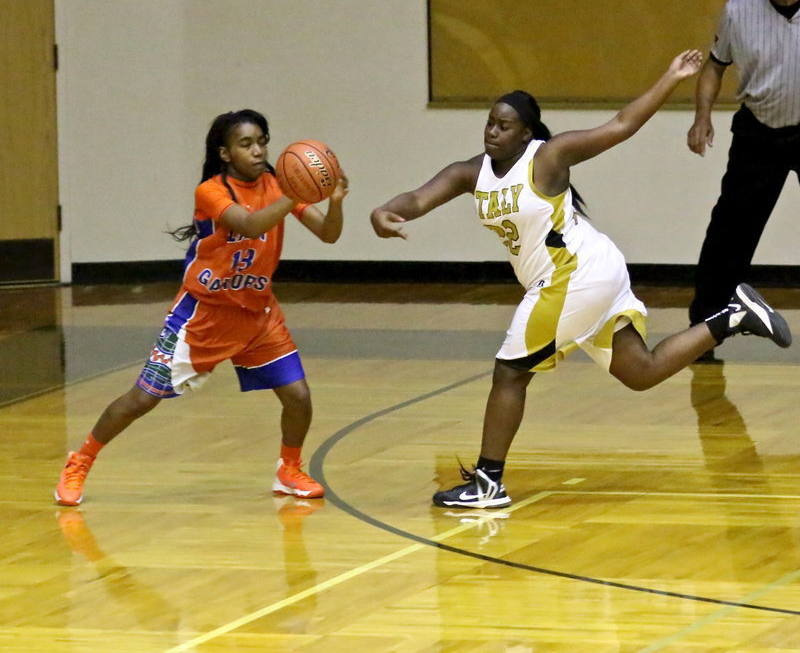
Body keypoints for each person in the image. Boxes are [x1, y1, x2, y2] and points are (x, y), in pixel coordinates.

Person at [370, 51, 791, 509]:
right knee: (641, 372)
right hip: (588, 272)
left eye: (504, 125)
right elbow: (415, 198)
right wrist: (384, 212)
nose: (493, 131)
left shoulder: (549, 156)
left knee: (509, 373)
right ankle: (731, 318)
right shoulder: (469, 172)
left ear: (526, 133)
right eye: (490, 122)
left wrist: (671, 76)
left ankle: (488, 483)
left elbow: (621, 124)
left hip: (572, 276)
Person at [55, 109, 349, 506]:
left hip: (257, 313)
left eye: (262, 140)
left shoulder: (277, 184)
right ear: (224, 153)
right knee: (142, 399)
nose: (259, 150)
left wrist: (334, 202)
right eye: (246, 144)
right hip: (204, 315)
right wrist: (295, 193)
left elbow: (328, 235)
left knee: (298, 396)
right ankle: (80, 461)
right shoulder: (211, 191)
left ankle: (289, 470)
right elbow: (248, 225)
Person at [687, 0, 800, 359]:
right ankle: (701, 333)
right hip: (760, 132)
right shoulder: (738, 10)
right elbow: (715, 67)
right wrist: (702, 118)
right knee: (729, 234)